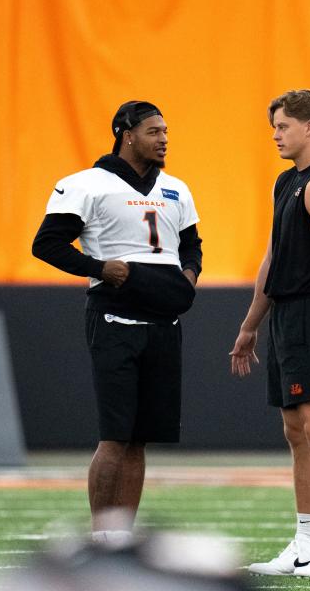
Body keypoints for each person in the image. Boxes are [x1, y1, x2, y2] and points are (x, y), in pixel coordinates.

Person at [32, 101, 202, 546]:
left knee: (141, 439)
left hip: (164, 319)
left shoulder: (177, 188)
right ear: (126, 133)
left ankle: (123, 539)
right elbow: (47, 244)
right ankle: (100, 539)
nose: (164, 138)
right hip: (113, 315)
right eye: (153, 131)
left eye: (166, 130)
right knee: (115, 436)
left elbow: (192, 245)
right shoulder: (86, 184)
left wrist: (187, 278)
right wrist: (102, 267)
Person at [229, 89, 310, 578]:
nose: (276, 136)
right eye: (274, 128)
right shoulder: (286, 182)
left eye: (283, 126)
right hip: (286, 314)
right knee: (296, 432)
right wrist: (249, 326)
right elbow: (272, 260)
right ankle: (307, 542)